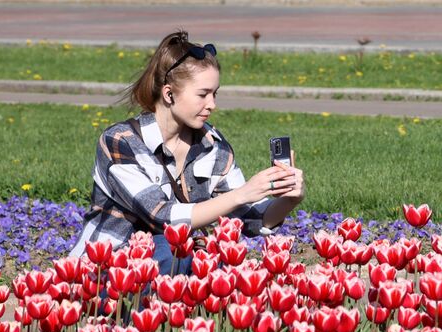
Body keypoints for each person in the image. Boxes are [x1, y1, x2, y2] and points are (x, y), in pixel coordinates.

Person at [69, 30, 305, 275]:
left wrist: (288, 199)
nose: (212, 104)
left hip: (170, 270)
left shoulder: (212, 143)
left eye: (215, 94)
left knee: (211, 256)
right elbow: (162, 217)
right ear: (169, 94)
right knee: (173, 248)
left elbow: (250, 219)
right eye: (203, 95)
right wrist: (242, 194)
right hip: (105, 277)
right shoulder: (121, 142)